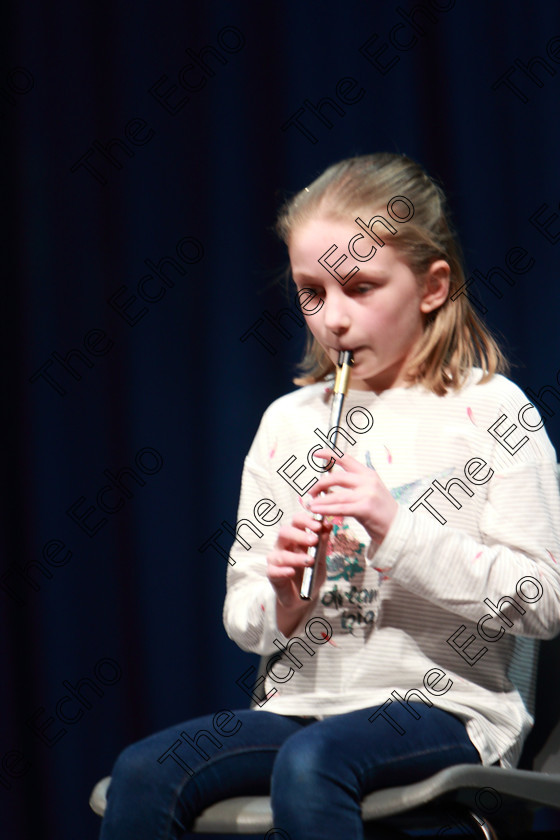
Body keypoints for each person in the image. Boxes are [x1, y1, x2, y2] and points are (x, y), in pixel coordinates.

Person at [99, 153, 560, 840]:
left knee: (315, 765)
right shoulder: (292, 422)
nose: (333, 319)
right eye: (312, 293)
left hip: (447, 709)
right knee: (142, 772)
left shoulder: (493, 410)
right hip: (303, 704)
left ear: (433, 286)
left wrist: (394, 530)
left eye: (361, 287)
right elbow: (244, 615)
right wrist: (286, 600)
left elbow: (543, 600)